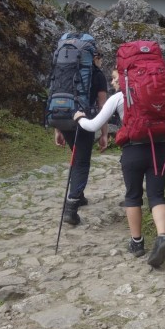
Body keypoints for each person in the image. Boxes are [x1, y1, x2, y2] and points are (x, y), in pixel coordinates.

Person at [73, 69, 165, 268]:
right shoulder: (163, 92)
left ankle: (137, 243)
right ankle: (162, 237)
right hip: (159, 149)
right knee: (157, 196)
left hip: (133, 151)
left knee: (133, 196)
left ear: (125, 78)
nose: (112, 82)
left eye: (115, 78)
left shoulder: (119, 97)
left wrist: (79, 118)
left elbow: (93, 125)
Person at [55, 51, 108, 226]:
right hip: (84, 122)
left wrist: (58, 129)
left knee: (77, 156)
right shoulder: (97, 75)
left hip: (63, 118)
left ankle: (80, 194)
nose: (101, 61)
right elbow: (102, 106)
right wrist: (104, 133)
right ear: (95, 58)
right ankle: (71, 207)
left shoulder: (65, 70)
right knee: (82, 162)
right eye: (100, 58)